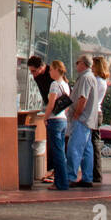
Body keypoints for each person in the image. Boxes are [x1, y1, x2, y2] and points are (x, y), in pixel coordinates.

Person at [66, 54, 99, 187]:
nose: (76, 65)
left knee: (74, 148)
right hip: (88, 119)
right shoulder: (90, 77)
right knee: (86, 150)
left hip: (82, 119)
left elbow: (82, 98)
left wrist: (77, 113)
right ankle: (87, 177)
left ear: (83, 64)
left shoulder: (85, 78)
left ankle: (71, 177)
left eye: (77, 62)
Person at [44, 61, 72, 190]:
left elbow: (51, 103)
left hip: (54, 120)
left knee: (57, 152)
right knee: (61, 151)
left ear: (56, 70)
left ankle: (61, 183)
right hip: (63, 120)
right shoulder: (65, 85)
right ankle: (63, 180)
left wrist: (45, 117)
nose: (49, 72)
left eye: (50, 70)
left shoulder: (54, 84)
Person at [28, 55, 54, 183]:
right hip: (49, 109)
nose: (33, 75)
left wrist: (48, 113)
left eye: (34, 71)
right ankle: (53, 171)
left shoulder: (52, 74)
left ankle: (56, 172)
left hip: (56, 112)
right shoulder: (38, 77)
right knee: (52, 143)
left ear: (41, 67)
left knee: (57, 145)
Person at [89, 56, 111, 184]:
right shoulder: (102, 81)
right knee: (94, 142)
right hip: (98, 112)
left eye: (93, 65)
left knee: (93, 143)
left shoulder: (96, 81)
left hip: (94, 112)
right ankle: (95, 173)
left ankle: (96, 173)